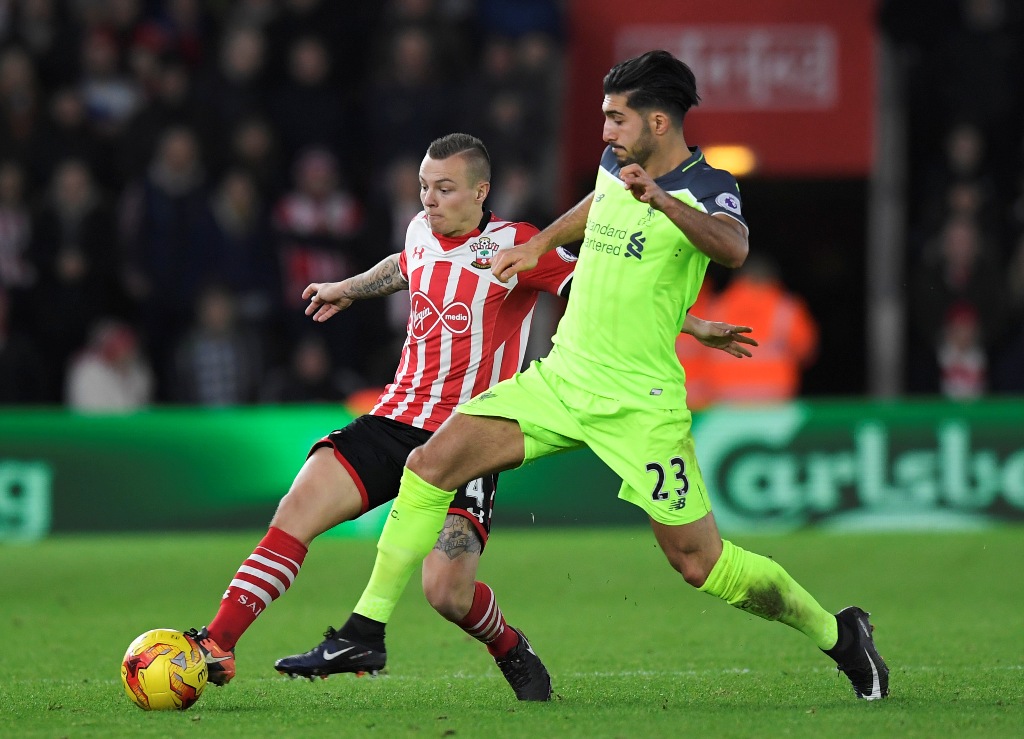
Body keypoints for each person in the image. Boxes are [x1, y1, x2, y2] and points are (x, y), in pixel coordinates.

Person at [311, 51, 890, 703]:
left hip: (640, 404)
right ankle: (365, 630)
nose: (607, 131)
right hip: (561, 378)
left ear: (661, 122)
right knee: (430, 462)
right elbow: (597, 204)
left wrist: (664, 203)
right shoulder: (618, 164)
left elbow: (732, 246)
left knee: (699, 562)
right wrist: (539, 242)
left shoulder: (709, 185)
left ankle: (839, 633)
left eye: (617, 118)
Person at [187, 133, 577, 701]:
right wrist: (348, 288)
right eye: (424, 187)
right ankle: (217, 643)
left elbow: (590, 290)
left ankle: (509, 646)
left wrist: (685, 324)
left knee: (446, 594)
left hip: (466, 438)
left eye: (445, 188)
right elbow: (404, 265)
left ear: (480, 190)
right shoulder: (421, 230)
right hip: (394, 417)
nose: (430, 199)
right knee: (296, 509)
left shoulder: (518, 244)